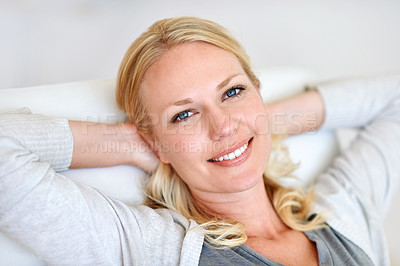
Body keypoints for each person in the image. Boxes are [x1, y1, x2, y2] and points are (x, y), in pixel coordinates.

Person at [0, 16, 399, 266]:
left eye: (233, 92)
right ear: (154, 139)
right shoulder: (147, 248)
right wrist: (130, 142)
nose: (222, 126)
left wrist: (258, 122)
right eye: (183, 115)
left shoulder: (343, 211)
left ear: (258, 90)